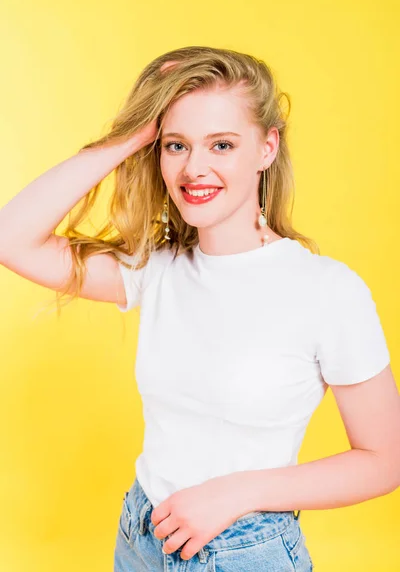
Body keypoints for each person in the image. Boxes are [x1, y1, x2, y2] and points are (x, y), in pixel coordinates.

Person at [0, 46, 399, 572]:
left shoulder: (327, 291)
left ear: (267, 148)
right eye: (176, 145)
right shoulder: (158, 269)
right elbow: (11, 238)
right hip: (142, 532)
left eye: (222, 144)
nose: (195, 168)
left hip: (242, 551)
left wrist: (234, 494)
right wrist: (134, 131)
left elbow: (385, 460)